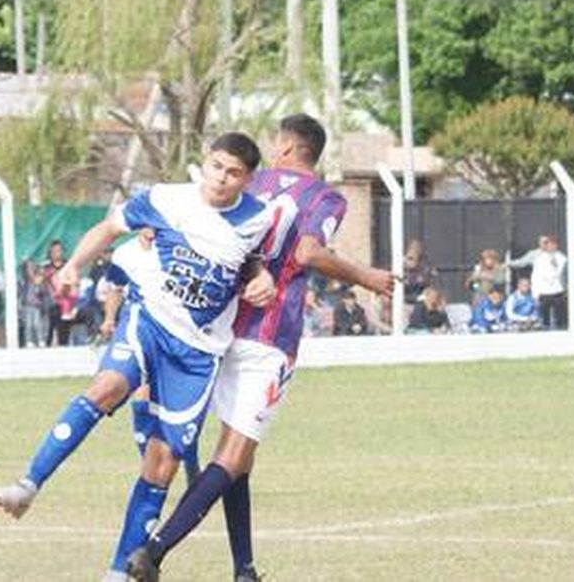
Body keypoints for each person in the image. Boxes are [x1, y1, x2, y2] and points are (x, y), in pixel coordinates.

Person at [0, 132, 274, 582]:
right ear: (206, 161)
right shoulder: (164, 198)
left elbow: (253, 262)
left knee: (162, 464)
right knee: (106, 387)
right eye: (217, 166)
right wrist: (74, 266)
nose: (221, 178)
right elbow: (108, 228)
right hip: (148, 321)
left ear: (247, 179)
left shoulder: (259, 218)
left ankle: (119, 573)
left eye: (234, 172)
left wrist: (264, 280)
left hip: (198, 355)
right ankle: (28, 484)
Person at [126, 115, 396, 582]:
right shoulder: (323, 197)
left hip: (217, 327)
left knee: (240, 459)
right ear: (308, 152)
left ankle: (244, 569)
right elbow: (309, 252)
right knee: (231, 455)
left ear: (287, 149)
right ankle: (153, 551)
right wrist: (368, 277)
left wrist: (150, 228)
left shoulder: (255, 181)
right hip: (269, 336)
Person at [511, 235, 565, 330]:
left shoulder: (563, 258)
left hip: (558, 290)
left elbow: (564, 274)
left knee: (559, 317)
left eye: (553, 245)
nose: (551, 247)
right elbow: (536, 277)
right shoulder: (539, 259)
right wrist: (535, 294)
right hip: (544, 292)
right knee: (545, 318)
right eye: (549, 244)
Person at [40, 240, 78, 346]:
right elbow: (38, 281)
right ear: (50, 253)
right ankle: (47, 346)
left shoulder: (68, 265)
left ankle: (64, 345)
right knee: (49, 328)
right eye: (54, 251)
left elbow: (74, 281)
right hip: (49, 302)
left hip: (66, 302)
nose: (57, 253)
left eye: (59, 250)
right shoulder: (45, 266)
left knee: (65, 328)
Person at [19, 258, 46, 348]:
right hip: (26, 306)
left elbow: (43, 292)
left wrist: (38, 285)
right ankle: (29, 341)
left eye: (32, 268)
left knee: (37, 324)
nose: (30, 270)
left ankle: (41, 340)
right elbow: (20, 291)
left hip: (36, 306)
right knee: (28, 325)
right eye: (28, 268)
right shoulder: (23, 281)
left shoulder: (38, 279)